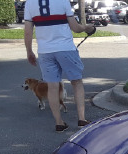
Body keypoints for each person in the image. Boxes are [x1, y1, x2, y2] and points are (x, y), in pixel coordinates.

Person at [24, 0, 95, 132]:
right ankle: (81, 119)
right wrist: (87, 27)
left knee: (52, 87)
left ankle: (59, 123)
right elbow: (75, 28)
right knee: (77, 82)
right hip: (66, 48)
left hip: (45, 51)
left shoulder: (30, 3)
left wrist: (29, 51)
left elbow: (28, 31)